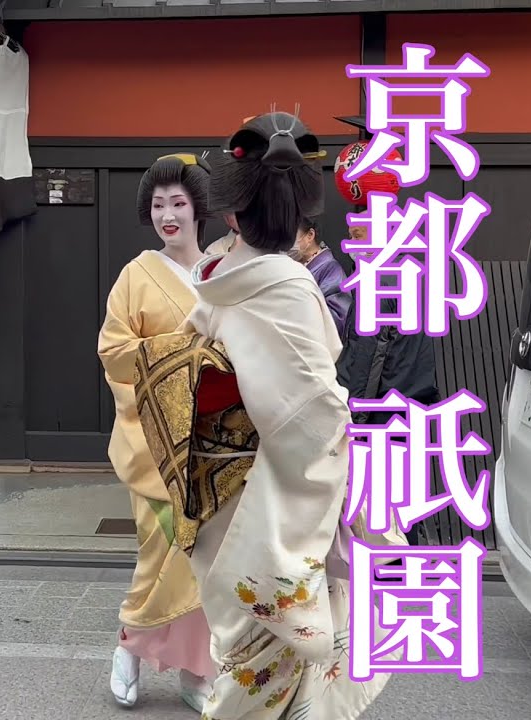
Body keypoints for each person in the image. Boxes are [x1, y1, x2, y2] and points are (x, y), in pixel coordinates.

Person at [134, 112, 396, 718]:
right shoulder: (288, 287)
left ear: (229, 215)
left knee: (250, 666)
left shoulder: (217, 284)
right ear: (304, 217)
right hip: (269, 504)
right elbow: (316, 419)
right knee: (271, 677)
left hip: (225, 498)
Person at [96, 153, 215, 712]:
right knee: (161, 550)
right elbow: (113, 352)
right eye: (159, 205)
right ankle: (130, 643)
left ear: (198, 209)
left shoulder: (225, 270)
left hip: (217, 443)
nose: (168, 214)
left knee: (207, 561)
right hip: (156, 441)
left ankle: (196, 671)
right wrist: (182, 351)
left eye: (178, 203)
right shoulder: (135, 275)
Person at [336, 220, 439, 546]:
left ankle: (389, 570)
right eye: (350, 235)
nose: (352, 243)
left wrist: (355, 415)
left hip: (381, 406)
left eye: (359, 235)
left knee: (380, 500)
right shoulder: (407, 274)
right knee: (403, 492)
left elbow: (368, 358)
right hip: (411, 400)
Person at [288, 215, 352, 334]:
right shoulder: (292, 265)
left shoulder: (330, 269)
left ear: (310, 235)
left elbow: (338, 318)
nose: (287, 244)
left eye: (291, 236)